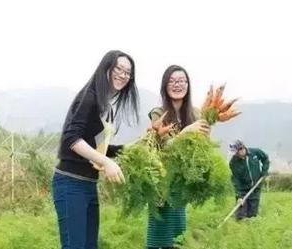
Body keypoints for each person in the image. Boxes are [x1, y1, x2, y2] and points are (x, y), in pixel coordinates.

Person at [52, 50, 139, 249]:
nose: (123, 75)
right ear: (106, 67)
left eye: (128, 72)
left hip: (89, 185)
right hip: (70, 183)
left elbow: (100, 150)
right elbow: (71, 139)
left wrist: (139, 144)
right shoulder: (90, 96)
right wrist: (106, 162)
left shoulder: (106, 106)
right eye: (119, 68)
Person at [146, 65, 210, 249]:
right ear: (165, 86)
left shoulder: (195, 114)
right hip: (161, 182)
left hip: (181, 183)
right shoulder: (158, 113)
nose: (177, 85)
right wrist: (185, 133)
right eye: (172, 81)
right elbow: (163, 147)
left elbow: (202, 148)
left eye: (182, 81)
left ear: (188, 85)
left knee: (177, 237)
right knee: (159, 236)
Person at [228, 139, 270, 220]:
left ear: (242, 148)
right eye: (235, 152)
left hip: (256, 187)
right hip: (243, 190)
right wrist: (239, 196)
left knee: (252, 215)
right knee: (240, 215)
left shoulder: (255, 152)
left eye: (237, 151)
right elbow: (236, 180)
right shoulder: (233, 162)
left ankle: (251, 223)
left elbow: (265, 159)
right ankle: (238, 227)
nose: (235, 154)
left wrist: (264, 172)